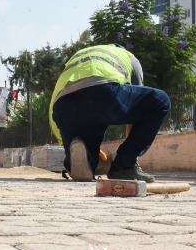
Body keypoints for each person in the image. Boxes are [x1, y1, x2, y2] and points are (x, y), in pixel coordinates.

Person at [49, 44, 171, 183]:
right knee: (160, 101)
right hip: (102, 93)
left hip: (63, 107)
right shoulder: (129, 58)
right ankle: (123, 167)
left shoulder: (79, 56)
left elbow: (53, 111)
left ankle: (79, 162)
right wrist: (129, 159)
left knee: (88, 146)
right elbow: (137, 113)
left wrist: (65, 139)